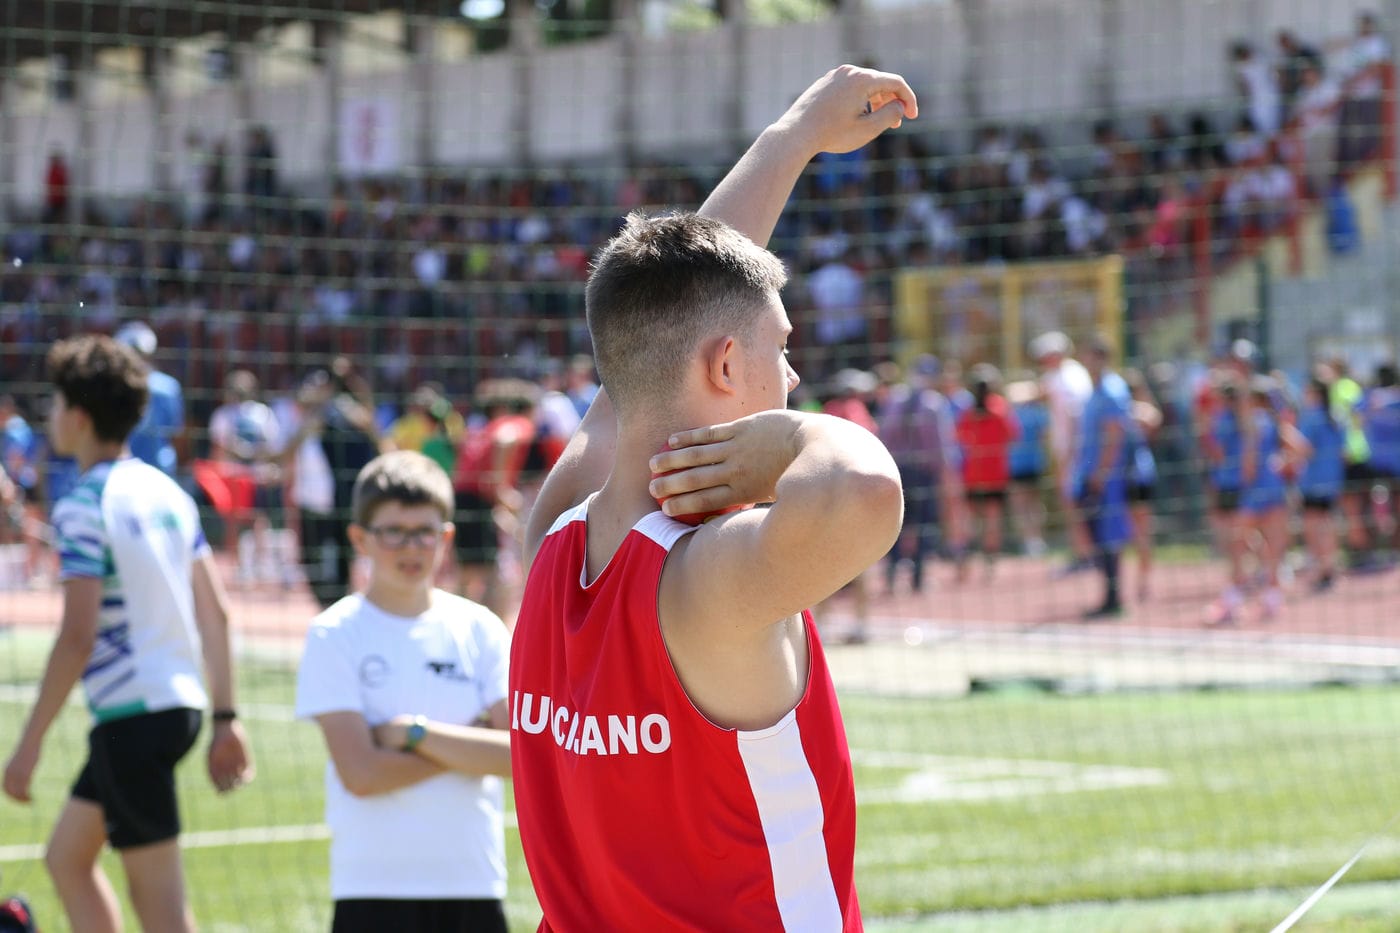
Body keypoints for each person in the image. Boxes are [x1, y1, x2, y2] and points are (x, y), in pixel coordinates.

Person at [509, 64, 914, 930]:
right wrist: (788, 438)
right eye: (782, 347)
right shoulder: (705, 579)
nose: (793, 373)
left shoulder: (552, 535)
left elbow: (669, 318)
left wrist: (793, 137)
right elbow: (865, 488)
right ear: (728, 365)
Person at [2, 335, 253, 933]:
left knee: (160, 905)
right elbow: (216, 614)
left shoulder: (82, 505)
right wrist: (224, 717)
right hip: (176, 706)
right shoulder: (168, 493)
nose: (50, 416)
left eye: (56, 402)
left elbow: (77, 636)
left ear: (79, 417)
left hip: (133, 717)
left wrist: (29, 743)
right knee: (67, 859)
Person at [294, 451, 512, 933]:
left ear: (446, 537)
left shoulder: (480, 628)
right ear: (360, 539)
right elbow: (362, 774)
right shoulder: (335, 633)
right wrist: (467, 746)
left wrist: (415, 734)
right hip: (371, 889)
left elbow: (521, 758)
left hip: (472, 884)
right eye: (393, 531)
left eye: (424, 532)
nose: (411, 548)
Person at [878, 354, 960, 594]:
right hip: (923, 472)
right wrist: (946, 472)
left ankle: (892, 575)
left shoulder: (895, 399)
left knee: (897, 524)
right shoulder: (934, 403)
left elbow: (885, 436)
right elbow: (941, 444)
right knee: (925, 525)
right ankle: (918, 578)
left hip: (898, 469)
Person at [1074, 335, 1132, 620]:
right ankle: (1108, 596)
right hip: (1091, 474)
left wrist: (1101, 473)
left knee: (1110, 536)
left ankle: (1113, 598)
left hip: (1107, 478)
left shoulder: (1111, 390)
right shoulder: (1094, 390)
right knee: (1096, 536)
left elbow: (1114, 436)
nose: (1085, 361)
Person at [955, 364, 1018, 582]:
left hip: (974, 474)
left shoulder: (968, 412)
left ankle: (964, 563)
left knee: (970, 521)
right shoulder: (1000, 408)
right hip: (995, 474)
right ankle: (990, 565)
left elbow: (960, 438)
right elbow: (1013, 435)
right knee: (993, 520)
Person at [114, 321, 184, 478]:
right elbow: (176, 433)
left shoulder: (116, 386)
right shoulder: (169, 386)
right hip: (160, 470)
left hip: (125, 468)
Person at [1297, 368, 1345, 591]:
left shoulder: (1311, 417)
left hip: (1313, 481)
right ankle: (1330, 569)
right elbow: (1343, 452)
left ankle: (1320, 571)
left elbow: (1305, 449)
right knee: (1328, 525)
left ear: (1315, 393)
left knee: (1313, 527)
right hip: (1332, 481)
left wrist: (1286, 435)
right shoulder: (1337, 417)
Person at [1006, 378, 1049, 556]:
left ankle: (1028, 540)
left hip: (1017, 465)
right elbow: (1044, 437)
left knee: (1021, 505)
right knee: (1034, 503)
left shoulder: (1011, 415)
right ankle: (1037, 539)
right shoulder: (1038, 413)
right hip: (1035, 463)